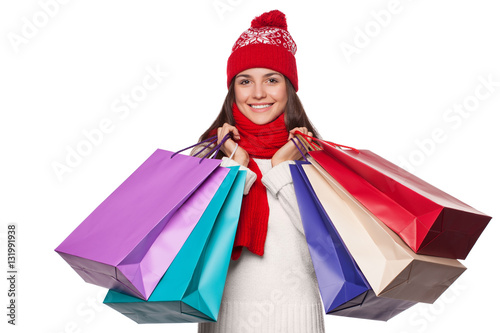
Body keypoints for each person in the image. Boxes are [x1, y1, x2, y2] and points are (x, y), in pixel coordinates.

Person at [193, 10, 325, 333]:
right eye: (245, 81)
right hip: (223, 321)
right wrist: (236, 164)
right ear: (233, 89)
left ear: (289, 87)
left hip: (297, 321)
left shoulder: (317, 157)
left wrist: (281, 168)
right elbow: (196, 242)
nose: (258, 93)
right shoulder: (206, 155)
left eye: (271, 79)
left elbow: (325, 244)